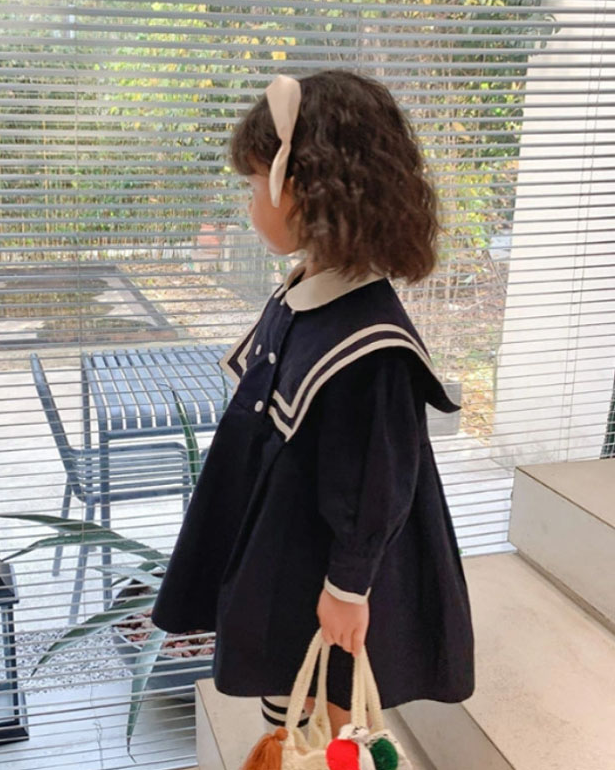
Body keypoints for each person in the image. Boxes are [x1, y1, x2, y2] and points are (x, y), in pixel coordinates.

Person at [151, 70, 475, 738]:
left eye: (254, 185)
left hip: (325, 557)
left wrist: (349, 587)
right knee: (289, 681)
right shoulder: (307, 290)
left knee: (329, 696)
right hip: (288, 537)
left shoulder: (370, 342)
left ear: (304, 187)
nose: (249, 204)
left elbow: (376, 480)